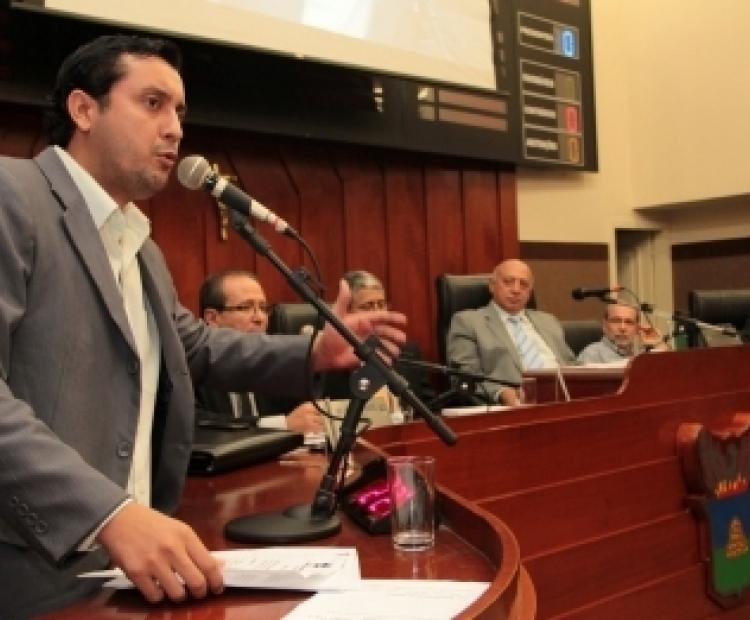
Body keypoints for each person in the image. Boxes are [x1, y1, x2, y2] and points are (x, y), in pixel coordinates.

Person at [0, 34, 405, 618]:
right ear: (84, 109)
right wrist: (106, 513)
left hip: (125, 568)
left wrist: (315, 351)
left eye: (180, 112)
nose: (174, 129)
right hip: (28, 570)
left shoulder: (141, 247)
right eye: (153, 103)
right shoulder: (13, 197)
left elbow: (193, 346)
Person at [195, 270, 323, 433]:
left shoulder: (274, 364)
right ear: (212, 318)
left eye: (263, 308)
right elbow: (198, 424)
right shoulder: (192, 365)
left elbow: (306, 410)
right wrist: (281, 424)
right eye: (246, 307)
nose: (260, 318)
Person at [447, 259, 575, 405]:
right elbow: (464, 377)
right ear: (492, 285)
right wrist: (500, 392)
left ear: (529, 292)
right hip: (519, 405)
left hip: (567, 398)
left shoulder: (548, 321)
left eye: (523, 284)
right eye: (508, 282)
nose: (516, 290)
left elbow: (571, 365)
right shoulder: (468, 322)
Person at [323, 270, 433, 410]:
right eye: (367, 306)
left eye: (381, 304)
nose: (378, 313)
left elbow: (429, 406)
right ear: (347, 314)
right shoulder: (331, 358)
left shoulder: (408, 352)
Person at [577, 300, 667, 364]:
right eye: (616, 321)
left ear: (637, 328)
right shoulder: (592, 354)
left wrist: (658, 344)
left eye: (629, 322)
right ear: (604, 325)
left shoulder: (641, 355)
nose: (622, 328)